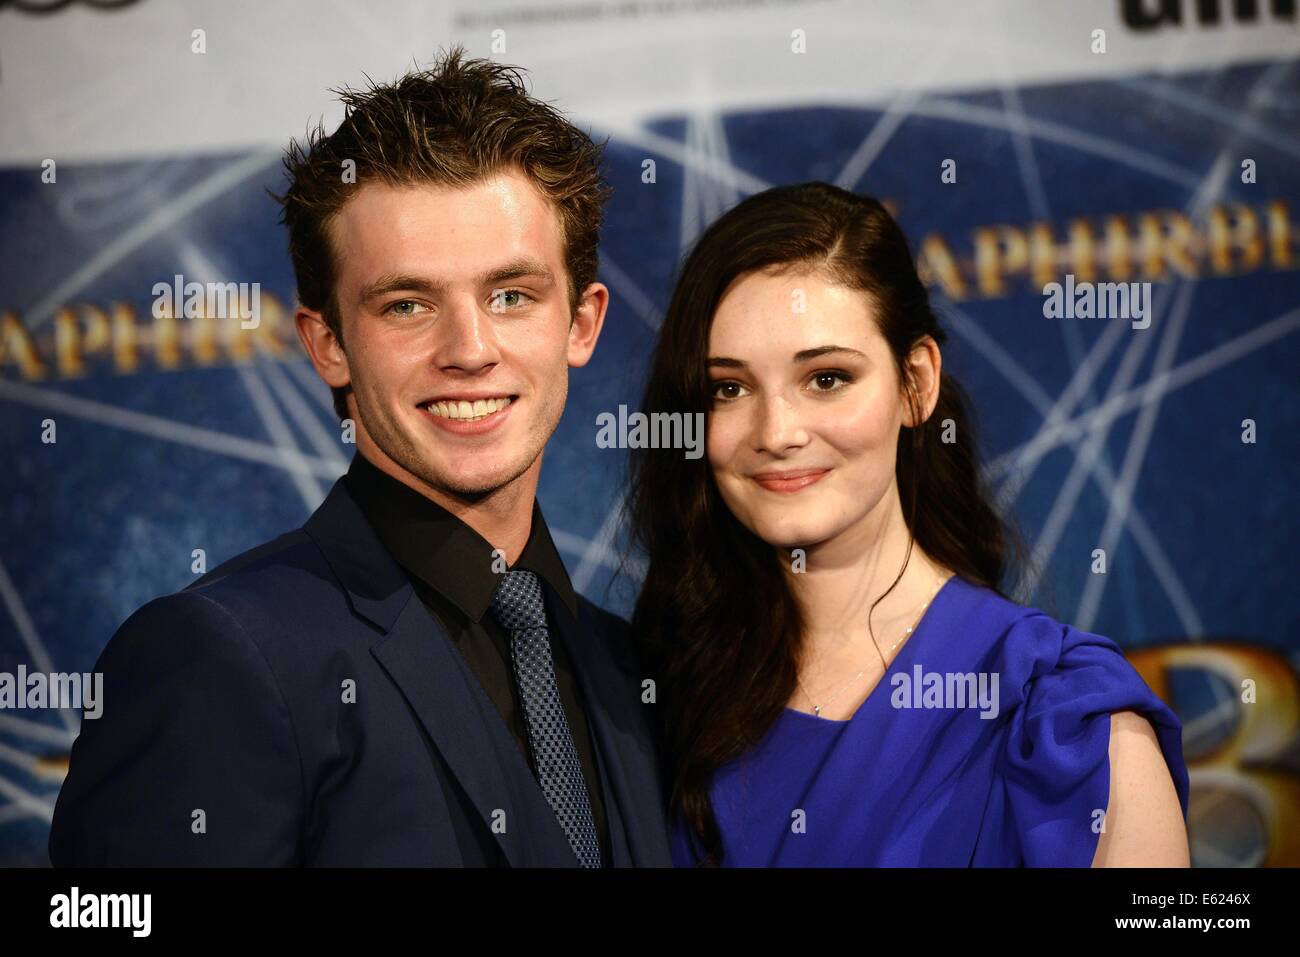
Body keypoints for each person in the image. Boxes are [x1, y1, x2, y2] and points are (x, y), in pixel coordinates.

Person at [49, 47, 672, 867]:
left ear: (581, 323)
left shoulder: (631, 669)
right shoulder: (219, 659)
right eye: (407, 304)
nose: (470, 349)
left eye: (511, 295)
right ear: (328, 343)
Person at [626, 183, 1190, 867]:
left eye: (826, 378)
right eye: (729, 388)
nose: (776, 432)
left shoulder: (1069, 724)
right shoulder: (643, 699)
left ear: (916, 383)